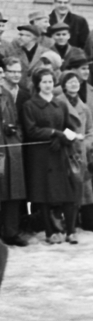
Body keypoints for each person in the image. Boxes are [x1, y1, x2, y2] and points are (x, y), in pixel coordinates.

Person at [21, 67, 76, 243]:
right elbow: (31, 130)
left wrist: (62, 139)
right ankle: (49, 232)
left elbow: (69, 127)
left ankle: (71, 231)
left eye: (50, 82)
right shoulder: (30, 105)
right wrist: (53, 133)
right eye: (44, 82)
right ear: (37, 84)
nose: (48, 85)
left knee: (67, 193)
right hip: (40, 156)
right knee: (43, 193)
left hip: (59, 153)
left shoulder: (60, 104)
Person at [58, 69, 93, 235]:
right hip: (64, 151)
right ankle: (66, 224)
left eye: (76, 81)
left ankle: (79, 223)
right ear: (64, 85)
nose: (74, 84)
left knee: (81, 188)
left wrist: (86, 144)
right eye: (70, 81)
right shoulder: (58, 102)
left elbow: (90, 129)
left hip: (80, 153)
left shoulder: (84, 107)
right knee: (65, 188)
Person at [1, 55, 29, 246]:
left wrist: (15, 133)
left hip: (11, 149)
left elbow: (17, 122)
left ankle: (11, 231)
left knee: (13, 192)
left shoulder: (7, 95)